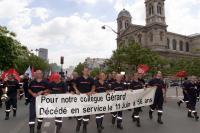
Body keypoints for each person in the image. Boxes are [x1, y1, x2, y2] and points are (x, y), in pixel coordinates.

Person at [73, 67, 95, 133]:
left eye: (87, 71)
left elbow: (93, 87)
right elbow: (74, 85)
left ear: (88, 71)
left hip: (88, 99)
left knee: (87, 115)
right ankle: (79, 124)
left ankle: (84, 126)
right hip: (80, 99)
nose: (86, 72)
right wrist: (76, 90)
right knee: (79, 113)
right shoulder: (78, 78)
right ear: (82, 71)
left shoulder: (91, 79)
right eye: (85, 71)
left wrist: (91, 91)